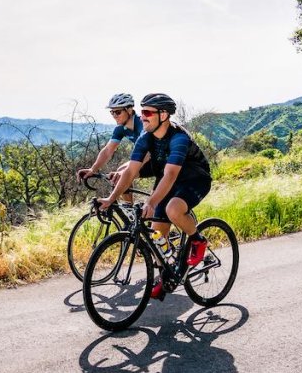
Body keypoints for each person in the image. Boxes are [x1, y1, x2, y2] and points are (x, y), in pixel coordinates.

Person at [98, 92, 212, 299]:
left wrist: (151, 202)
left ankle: (198, 240)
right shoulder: (146, 138)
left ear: (164, 115)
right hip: (168, 180)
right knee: (157, 236)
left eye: (148, 112)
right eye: (142, 112)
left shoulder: (179, 138)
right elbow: (130, 171)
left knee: (172, 209)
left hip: (194, 179)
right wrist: (110, 199)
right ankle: (166, 275)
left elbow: (170, 174)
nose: (143, 117)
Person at [76, 93, 143, 185]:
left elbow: (147, 152)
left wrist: (126, 172)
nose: (114, 116)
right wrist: (93, 169)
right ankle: (127, 200)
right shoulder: (120, 129)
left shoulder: (142, 124)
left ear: (129, 110)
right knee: (119, 174)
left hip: (162, 160)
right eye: (112, 112)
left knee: (123, 173)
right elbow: (108, 150)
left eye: (118, 112)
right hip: (148, 160)